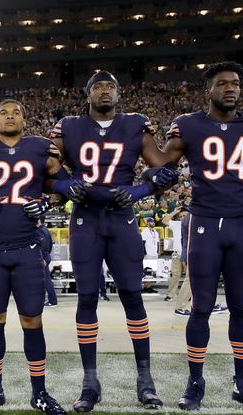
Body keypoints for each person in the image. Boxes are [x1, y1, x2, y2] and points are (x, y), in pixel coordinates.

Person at [50, 70, 176, 411]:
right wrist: (63, 186)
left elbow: (165, 169)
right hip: (85, 218)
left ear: (119, 94)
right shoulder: (69, 126)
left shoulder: (135, 124)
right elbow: (46, 165)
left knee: (133, 296)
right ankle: (90, 381)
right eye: (98, 86)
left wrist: (138, 190)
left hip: (122, 218)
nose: (105, 91)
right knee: (87, 296)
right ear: (87, 94)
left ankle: (145, 379)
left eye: (111, 86)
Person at [163, 61, 243, 412]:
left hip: (242, 223)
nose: (231, 88)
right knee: (200, 308)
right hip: (204, 223)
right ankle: (195, 383)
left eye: (236, 83)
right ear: (209, 89)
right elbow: (164, 164)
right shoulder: (187, 124)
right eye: (223, 83)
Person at [0, 99, 66, 415]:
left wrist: (48, 202)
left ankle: (40, 393)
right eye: (3, 112)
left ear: (24, 118)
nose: (9, 116)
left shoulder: (40, 147)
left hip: (27, 248)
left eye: (16, 112)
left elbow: (65, 186)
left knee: (32, 318)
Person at [162, 205, 186, 302]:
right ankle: (170, 294)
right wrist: (174, 212)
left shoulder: (192, 225)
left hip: (188, 253)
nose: (182, 218)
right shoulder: (176, 224)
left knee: (189, 277)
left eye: (184, 216)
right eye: (181, 216)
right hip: (177, 254)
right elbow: (164, 221)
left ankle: (188, 295)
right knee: (175, 275)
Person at [38, 216, 57, 307]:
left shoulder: (41, 231)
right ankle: (49, 299)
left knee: (46, 280)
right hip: (46, 256)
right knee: (45, 279)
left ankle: (52, 301)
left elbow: (43, 246)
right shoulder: (45, 230)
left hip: (43, 257)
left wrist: (43, 259)